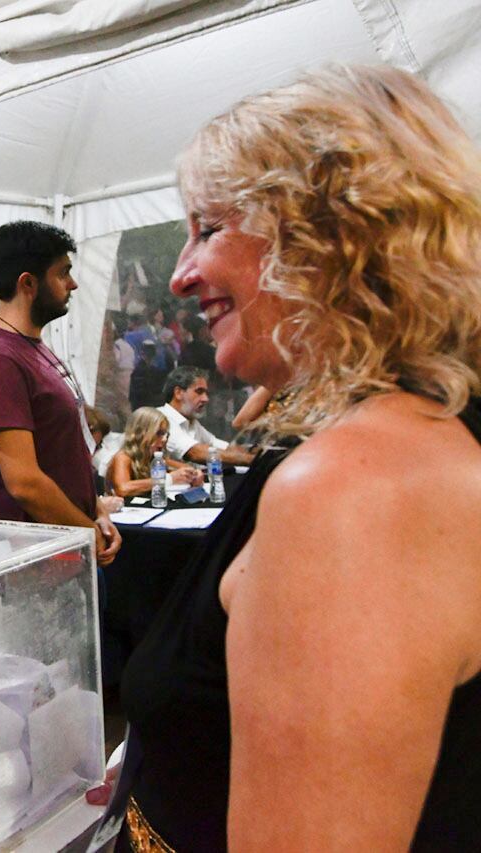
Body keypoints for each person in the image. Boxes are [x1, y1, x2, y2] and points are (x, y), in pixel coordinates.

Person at [115, 65, 481, 850]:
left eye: (208, 228)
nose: (181, 274)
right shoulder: (417, 428)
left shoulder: (354, 489)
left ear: (327, 235)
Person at [0, 220, 121, 566]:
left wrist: (98, 510)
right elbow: (24, 481)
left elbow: (66, 454)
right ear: (28, 283)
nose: (72, 284)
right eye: (63, 273)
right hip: (39, 567)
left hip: (73, 552)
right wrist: (87, 530)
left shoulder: (34, 348)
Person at [157, 366, 255, 466]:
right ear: (178, 393)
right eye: (199, 392)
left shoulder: (192, 422)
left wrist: (255, 452)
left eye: (206, 393)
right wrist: (254, 461)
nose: (206, 399)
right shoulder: (161, 418)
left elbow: (223, 447)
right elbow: (195, 452)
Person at [105, 407, 204, 499]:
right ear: (141, 434)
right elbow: (123, 489)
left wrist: (194, 474)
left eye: (166, 434)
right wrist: (168, 479)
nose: (165, 439)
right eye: (159, 433)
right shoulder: (123, 457)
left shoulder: (154, 458)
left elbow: (186, 469)